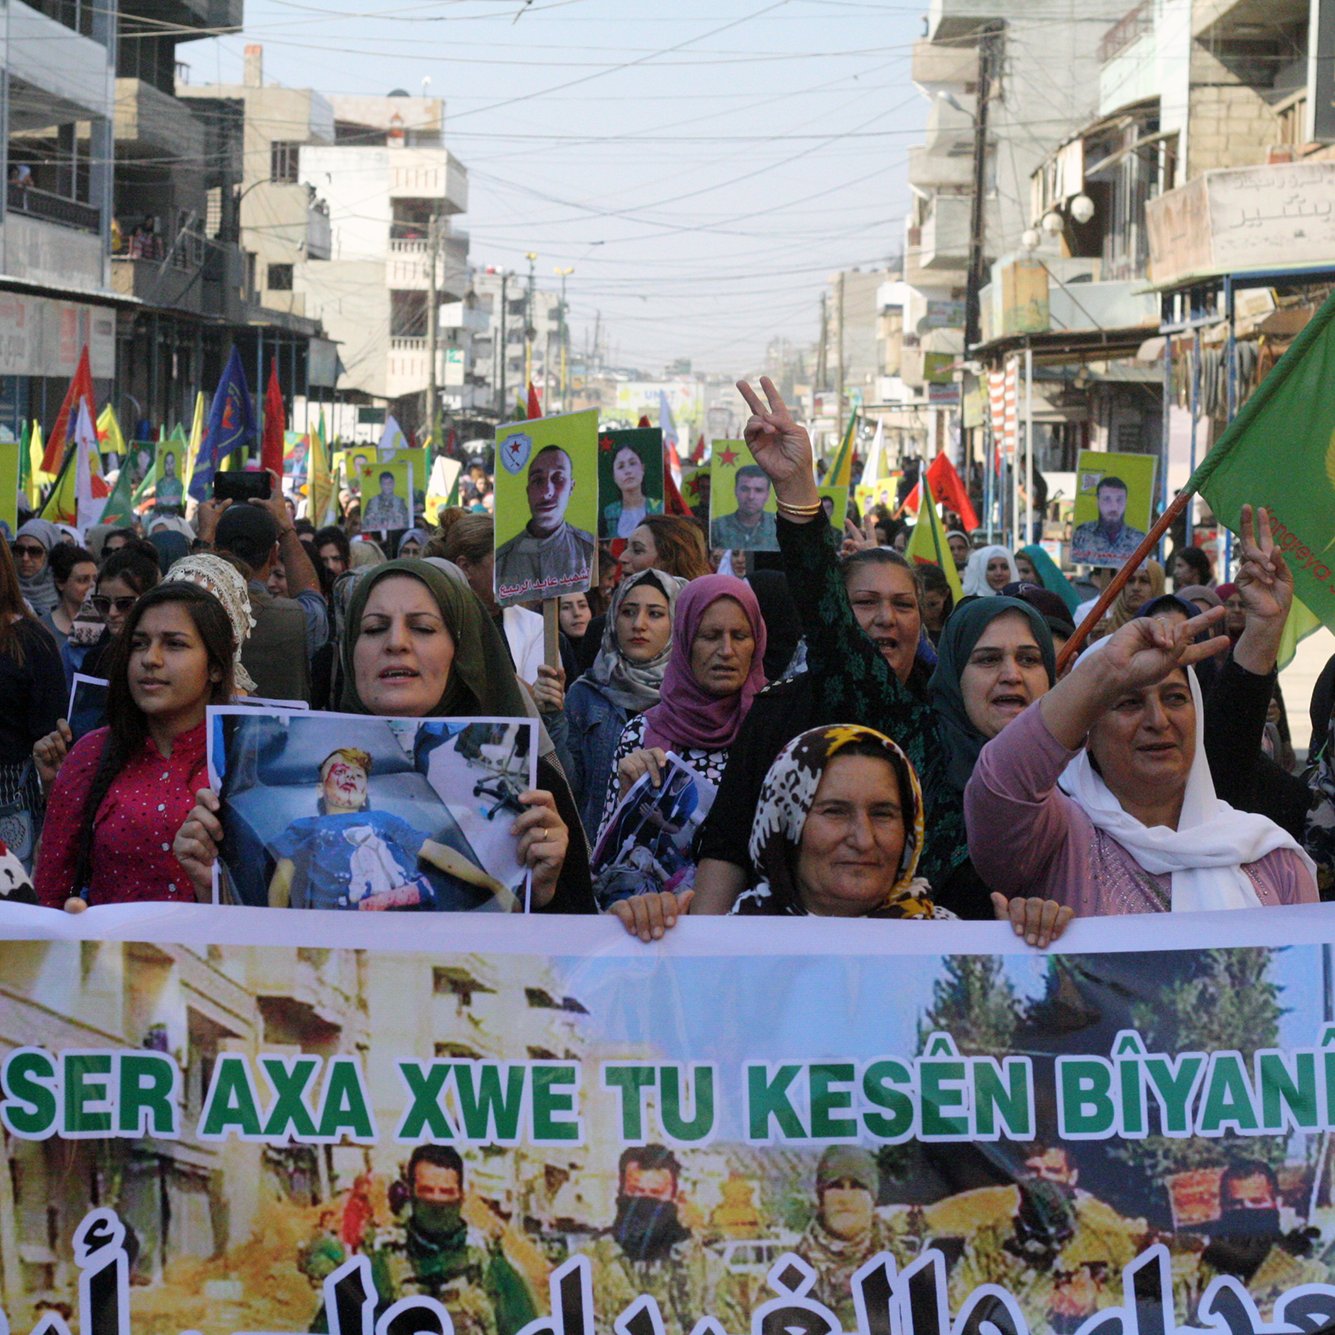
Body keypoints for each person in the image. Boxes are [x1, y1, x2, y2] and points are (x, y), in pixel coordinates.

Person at [715, 378, 1059, 932]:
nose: (1010, 677)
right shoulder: (902, 727)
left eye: (1029, 659)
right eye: (987, 660)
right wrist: (800, 492)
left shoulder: (1071, 767)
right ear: (953, 674)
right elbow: (828, 623)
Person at [175, 560, 594, 913]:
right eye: (374, 629)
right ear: (350, 652)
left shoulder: (530, 785)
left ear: (461, 651)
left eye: (424, 628)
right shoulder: (285, 818)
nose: (396, 643)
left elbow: (580, 965)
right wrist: (215, 883)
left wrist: (539, 891)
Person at [966, 607, 1318, 915]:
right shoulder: (1057, 838)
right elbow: (999, 785)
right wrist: (1104, 671)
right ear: (1087, 734)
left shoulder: (1270, 858)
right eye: (1130, 703)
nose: (1158, 720)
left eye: (1176, 698)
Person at [35, 584, 235, 908]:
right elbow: (50, 890)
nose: (150, 659)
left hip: (218, 956)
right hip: (107, 956)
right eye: (139, 644)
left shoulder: (244, 762)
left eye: (174, 644)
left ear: (215, 666)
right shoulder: (91, 754)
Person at [601, 576, 765, 837]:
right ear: (685, 640)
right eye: (709, 636)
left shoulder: (775, 725)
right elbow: (607, 861)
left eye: (740, 636)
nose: (726, 650)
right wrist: (628, 797)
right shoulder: (641, 733)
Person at [731, 724, 947, 918]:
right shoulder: (728, 951)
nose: (864, 841)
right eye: (835, 812)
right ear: (785, 825)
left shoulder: (956, 949)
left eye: (882, 814)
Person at [265, 747, 517, 911]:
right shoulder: (306, 827)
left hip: (408, 916)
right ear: (320, 790)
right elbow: (283, 879)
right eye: (340, 771)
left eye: (357, 775)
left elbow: (438, 853)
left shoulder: (386, 820)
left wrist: (493, 885)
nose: (350, 778)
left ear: (364, 795)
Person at [948, 1144, 1142, 1332]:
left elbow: (1143, 1310)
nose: (1042, 1179)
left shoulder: (1108, 1238)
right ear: (1017, 1175)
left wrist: (1095, 1298)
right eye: (1032, 1170)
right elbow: (960, 1310)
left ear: (1072, 1176)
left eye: (1053, 1170)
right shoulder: (991, 1240)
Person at [359, 1145, 537, 1335]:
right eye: (427, 1190)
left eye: (446, 1191)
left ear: (461, 1196)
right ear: (410, 1193)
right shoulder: (380, 1269)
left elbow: (527, 1328)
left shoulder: (492, 1268)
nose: (437, 1201)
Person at [561, 570, 684, 835]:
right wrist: (550, 717)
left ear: (677, 621)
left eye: (655, 614)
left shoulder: (692, 697)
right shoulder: (586, 694)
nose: (638, 624)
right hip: (598, 856)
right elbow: (568, 789)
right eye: (628, 612)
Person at [199, 483, 327, 702]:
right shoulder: (298, 618)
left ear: (217, 551)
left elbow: (181, 587)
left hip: (208, 735)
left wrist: (203, 537)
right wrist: (286, 529)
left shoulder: (192, 609)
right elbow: (312, 596)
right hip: (279, 735)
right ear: (273, 555)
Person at [581, 1145, 720, 1335]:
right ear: (621, 1193)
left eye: (656, 1193)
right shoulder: (590, 1265)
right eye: (636, 1192)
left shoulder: (705, 1268)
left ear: (674, 1198)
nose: (645, 1203)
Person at [793, 1148, 915, 1330]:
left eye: (858, 1186)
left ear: (873, 1198)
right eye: (836, 1186)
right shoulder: (790, 1272)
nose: (846, 1197)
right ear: (821, 1198)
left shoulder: (908, 1269)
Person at [494, 444, 596, 603]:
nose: (547, 491)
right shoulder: (501, 560)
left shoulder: (589, 550)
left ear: (572, 487)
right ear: (528, 492)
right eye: (537, 480)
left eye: (558, 479)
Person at [1071, 476, 1146, 564]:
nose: (1114, 507)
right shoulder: (1081, 535)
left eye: (1119, 500)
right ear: (1097, 501)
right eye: (1107, 499)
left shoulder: (1139, 539)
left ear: (1126, 502)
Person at [601, 440, 662, 539]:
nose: (628, 471)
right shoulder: (607, 514)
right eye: (621, 466)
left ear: (642, 468)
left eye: (632, 463)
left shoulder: (659, 508)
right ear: (614, 476)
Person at [41, 545, 97, 653]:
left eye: (95, 579)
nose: (92, 585)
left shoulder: (107, 624)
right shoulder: (42, 628)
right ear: (60, 583)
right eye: (83, 580)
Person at [710, 464, 778, 550]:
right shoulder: (717, 527)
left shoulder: (779, 526)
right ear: (735, 491)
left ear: (767, 495)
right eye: (745, 489)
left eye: (758, 490)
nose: (751, 496)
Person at [1094, 560, 1164, 637]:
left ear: (1157, 585)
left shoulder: (1167, 632)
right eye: (1130, 581)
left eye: (1144, 581)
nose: (1135, 587)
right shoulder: (1105, 628)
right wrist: (1094, 641)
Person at [1018, 543, 1082, 619]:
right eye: (1017, 571)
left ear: (1041, 571)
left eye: (1026, 571)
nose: (1021, 577)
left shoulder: (1071, 603)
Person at [13, 519, 61, 617]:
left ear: (50, 554)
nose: (25, 558)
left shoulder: (66, 596)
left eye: (35, 551)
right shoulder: (5, 591)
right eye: (19, 550)